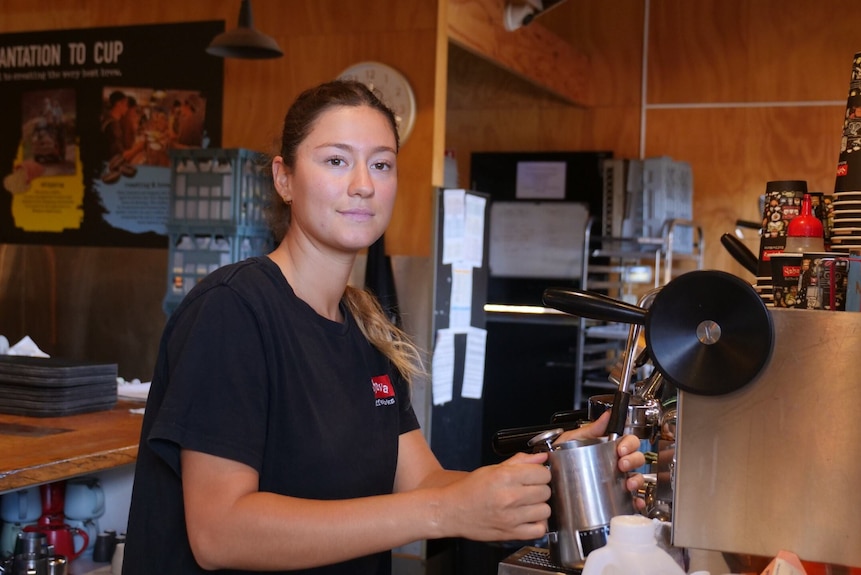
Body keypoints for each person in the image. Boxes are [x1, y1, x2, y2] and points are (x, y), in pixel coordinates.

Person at [122, 80, 645, 575]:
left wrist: (571, 471)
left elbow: (427, 482)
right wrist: (443, 512)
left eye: (381, 164)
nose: (363, 185)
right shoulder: (233, 311)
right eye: (335, 161)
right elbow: (220, 532)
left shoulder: (365, 333)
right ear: (284, 178)